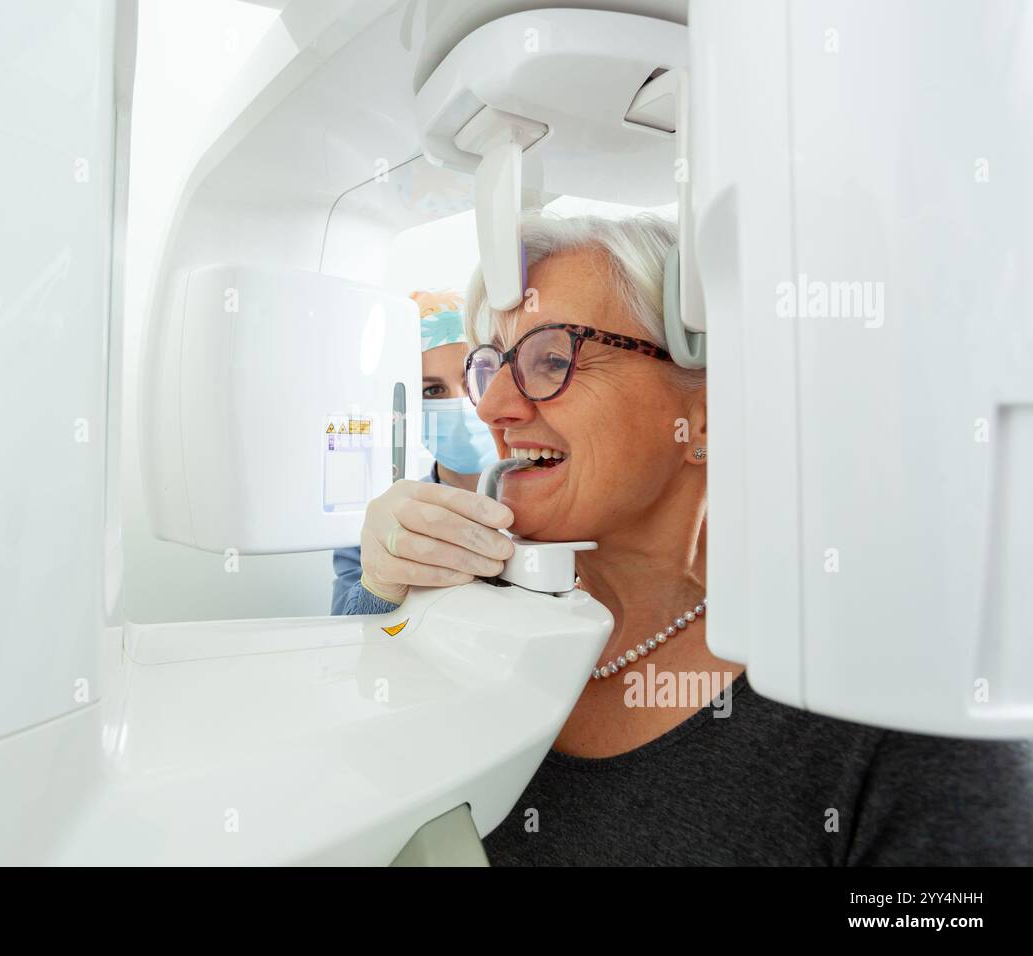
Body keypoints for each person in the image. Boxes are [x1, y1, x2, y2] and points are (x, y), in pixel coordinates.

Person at [337, 211, 1033, 865]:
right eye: (489, 368)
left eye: (552, 360)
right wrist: (385, 600)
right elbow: (354, 784)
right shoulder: (479, 611)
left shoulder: (894, 706)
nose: (490, 406)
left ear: (705, 416)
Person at [330, 290, 498, 615]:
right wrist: (380, 586)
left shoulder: (550, 499)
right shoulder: (381, 519)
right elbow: (349, 645)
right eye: (432, 390)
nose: (462, 403)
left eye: (476, 379)